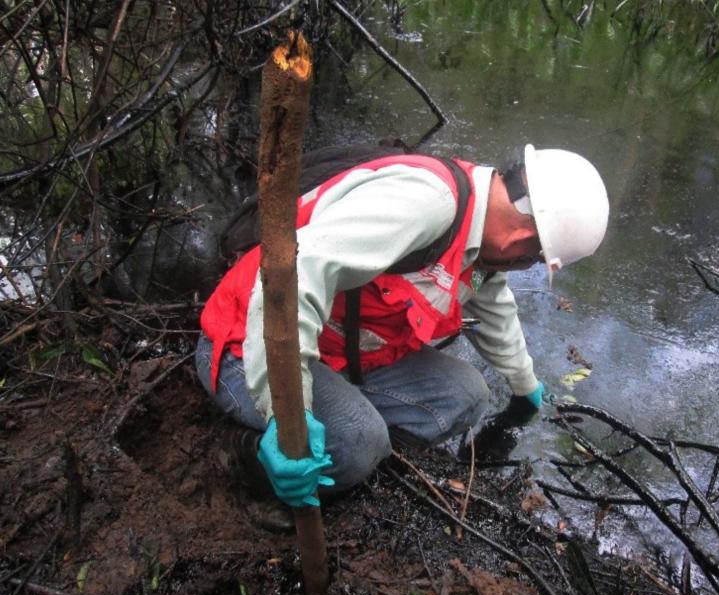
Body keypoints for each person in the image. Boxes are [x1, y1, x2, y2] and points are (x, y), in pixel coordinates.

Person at [195, 143, 608, 527]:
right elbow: (289, 282)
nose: (523, 268)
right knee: (357, 443)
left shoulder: (480, 237)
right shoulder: (425, 205)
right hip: (249, 343)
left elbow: (491, 300)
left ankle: (345, 452)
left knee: (466, 396)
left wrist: (525, 384)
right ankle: (247, 458)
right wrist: (288, 410)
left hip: (337, 354)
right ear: (522, 241)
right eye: (533, 261)